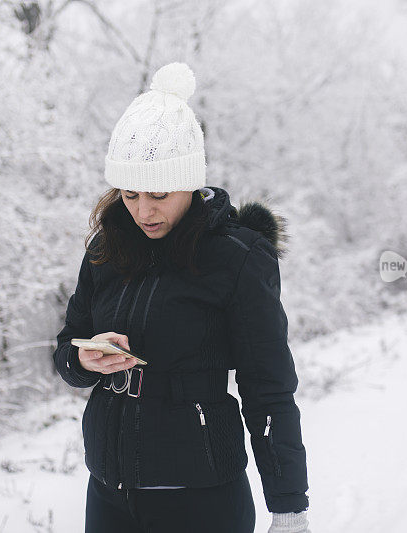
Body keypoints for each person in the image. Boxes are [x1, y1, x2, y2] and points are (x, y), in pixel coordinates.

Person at [52, 62, 311, 533]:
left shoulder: (236, 257)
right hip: (109, 496)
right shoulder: (107, 248)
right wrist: (85, 359)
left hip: (201, 499)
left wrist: (289, 505)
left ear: (190, 181)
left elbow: (268, 387)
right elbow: (66, 347)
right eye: (129, 195)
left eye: (158, 194)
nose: (143, 211)